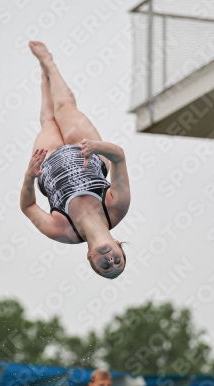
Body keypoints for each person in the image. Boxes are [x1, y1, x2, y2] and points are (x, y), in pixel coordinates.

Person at [20, 41, 131, 279]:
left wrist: (29, 176)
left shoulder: (63, 231)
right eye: (117, 260)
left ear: (90, 257)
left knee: (49, 120)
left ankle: (43, 77)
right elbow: (119, 156)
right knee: (63, 105)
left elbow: (28, 207)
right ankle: (49, 63)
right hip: (88, 150)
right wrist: (96, 146)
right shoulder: (117, 207)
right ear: (118, 244)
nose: (110, 260)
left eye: (105, 266)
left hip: (47, 163)